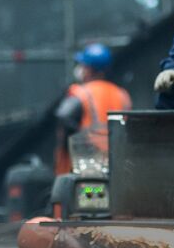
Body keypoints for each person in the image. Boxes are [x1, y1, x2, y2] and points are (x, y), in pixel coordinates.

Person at [53, 43, 131, 174]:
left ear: (91, 70)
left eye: (84, 66)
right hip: (115, 169)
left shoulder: (81, 93)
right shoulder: (122, 95)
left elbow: (64, 117)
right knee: (105, 193)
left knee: (90, 192)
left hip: (85, 170)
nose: (81, 69)